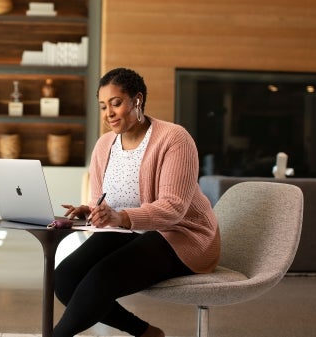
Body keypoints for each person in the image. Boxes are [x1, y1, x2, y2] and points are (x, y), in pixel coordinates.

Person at [54, 68, 220, 337]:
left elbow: (174, 207)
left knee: (101, 278)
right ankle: (145, 333)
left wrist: (120, 218)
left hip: (182, 235)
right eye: (103, 106)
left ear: (137, 100)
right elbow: (103, 202)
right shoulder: (104, 144)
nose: (108, 113)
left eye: (116, 103)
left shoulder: (174, 138)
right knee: (64, 278)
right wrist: (90, 211)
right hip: (129, 232)